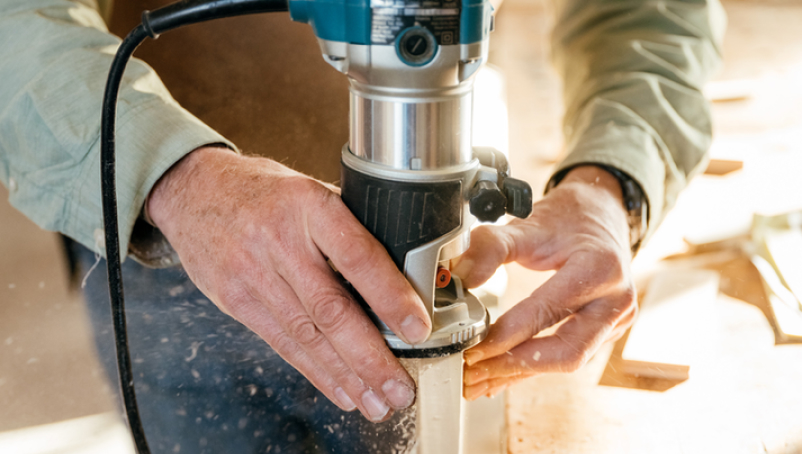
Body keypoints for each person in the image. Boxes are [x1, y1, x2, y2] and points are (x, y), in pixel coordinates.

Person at [0, 0, 725, 452]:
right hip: (171, 239)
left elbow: (653, 14)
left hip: (439, 276)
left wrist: (612, 181)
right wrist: (176, 176)